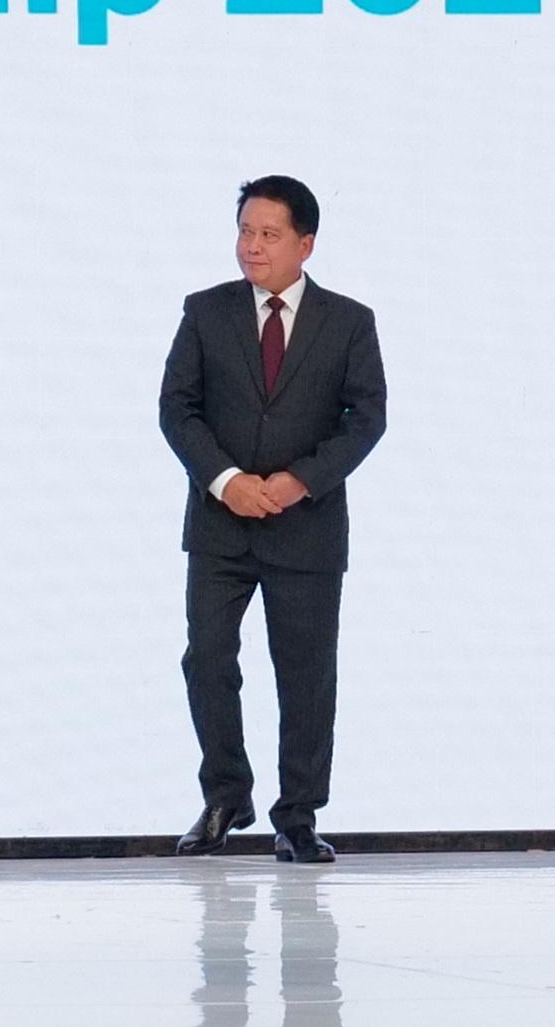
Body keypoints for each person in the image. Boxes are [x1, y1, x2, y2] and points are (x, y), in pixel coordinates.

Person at [158, 175, 388, 864]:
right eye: (244, 231)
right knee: (207, 658)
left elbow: (366, 418)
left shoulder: (349, 322)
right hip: (221, 524)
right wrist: (226, 481)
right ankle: (226, 795)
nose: (251, 246)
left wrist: (299, 482)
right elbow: (177, 408)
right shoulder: (205, 311)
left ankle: (298, 815)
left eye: (268, 234)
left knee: (306, 674)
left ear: (305, 244)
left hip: (306, 527)